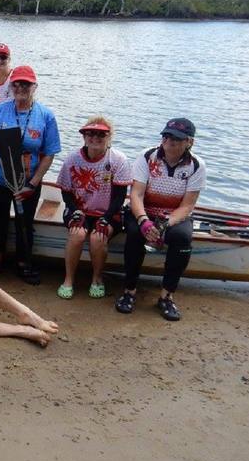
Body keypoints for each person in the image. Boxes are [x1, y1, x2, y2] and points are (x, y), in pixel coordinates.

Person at [116, 118, 206, 321]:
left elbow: (187, 206)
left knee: (182, 239)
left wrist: (165, 225)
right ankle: (129, 291)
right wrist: (144, 222)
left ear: (189, 142)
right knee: (134, 234)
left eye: (177, 137)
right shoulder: (147, 156)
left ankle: (166, 296)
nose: (169, 140)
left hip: (173, 215)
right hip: (143, 210)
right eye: (166, 135)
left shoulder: (197, 165)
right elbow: (136, 195)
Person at [0, 65, 61, 284]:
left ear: (34, 87)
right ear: (11, 87)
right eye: (16, 84)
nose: (21, 88)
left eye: (26, 84)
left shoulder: (46, 115)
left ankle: (23, 264)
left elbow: (50, 152)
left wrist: (33, 184)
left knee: (24, 223)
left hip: (28, 181)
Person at [55, 117, 132, 299]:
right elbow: (66, 193)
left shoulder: (119, 160)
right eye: (90, 133)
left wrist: (106, 217)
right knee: (77, 234)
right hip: (79, 209)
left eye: (101, 134)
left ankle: (97, 279)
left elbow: (120, 196)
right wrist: (75, 211)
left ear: (109, 137)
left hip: (108, 212)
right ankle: (68, 279)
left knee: (98, 237)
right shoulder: (73, 158)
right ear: (84, 137)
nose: (95, 138)